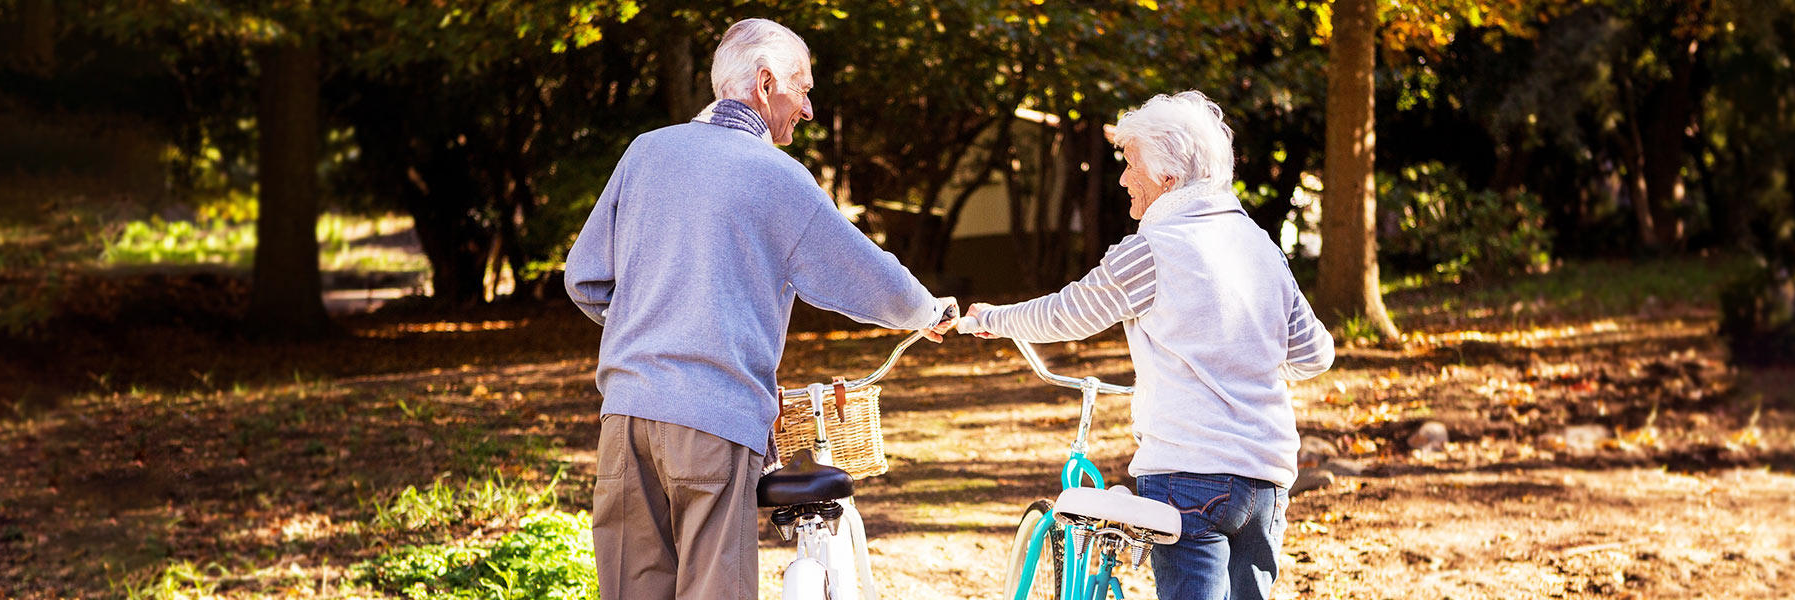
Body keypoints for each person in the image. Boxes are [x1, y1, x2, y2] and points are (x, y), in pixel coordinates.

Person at [562, 18, 957, 600]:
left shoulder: (646, 152)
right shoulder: (774, 175)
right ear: (766, 83)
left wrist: (649, 325)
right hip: (711, 419)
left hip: (625, 417)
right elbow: (862, 273)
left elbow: (585, 278)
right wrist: (926, 311)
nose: (810, 109)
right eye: (804, 89)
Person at [958, 91, 1334, 600]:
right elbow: (1315, 354)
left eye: (1130, 164)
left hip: (1189, 472)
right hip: (1266, 478)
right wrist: (1243, 360)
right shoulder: (1261, 247)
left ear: (1167, 178)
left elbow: (1067, 314)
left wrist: (992, 319)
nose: (1121, 178)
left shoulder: (1153, 249)